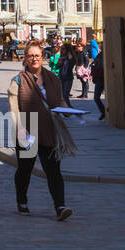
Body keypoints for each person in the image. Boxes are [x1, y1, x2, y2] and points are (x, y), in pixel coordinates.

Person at [6, 40, 74, 220]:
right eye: (30, 56)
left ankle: (60, 206)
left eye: (37, 55)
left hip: (48, 130)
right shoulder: (18, 81)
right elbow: (14, 109)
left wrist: (68, 110)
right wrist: (20, 130)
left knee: (54, 171)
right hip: (27, 131)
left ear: (43, 57)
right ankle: (22, 201)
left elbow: (59, 101)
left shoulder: (53, 79)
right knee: (25, 169)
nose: (34, 59)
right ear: (25, 59)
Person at [91, 47, 106, 119]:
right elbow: (94, 65)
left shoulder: (105, 55)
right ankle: (103, 112)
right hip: (99, 78)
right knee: (96, 97)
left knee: (97, 97)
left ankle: (105, 112)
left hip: (104, 78)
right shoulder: (100, 55)